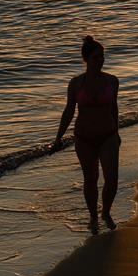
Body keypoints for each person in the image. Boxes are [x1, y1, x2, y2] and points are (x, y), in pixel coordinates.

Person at [50, 35, 120, 233]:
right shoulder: (75, 84)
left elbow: (114, 108)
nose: (101, 60)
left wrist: (117, 131)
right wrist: (58, 138)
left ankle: (105, 212)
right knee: (90, 179)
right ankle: (92, 218)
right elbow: (69, 111)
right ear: (86, 60)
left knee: (112, 179)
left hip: (108, 135)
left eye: (102, 57)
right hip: (84, 139)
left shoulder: (112, 81)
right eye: (96, 57)